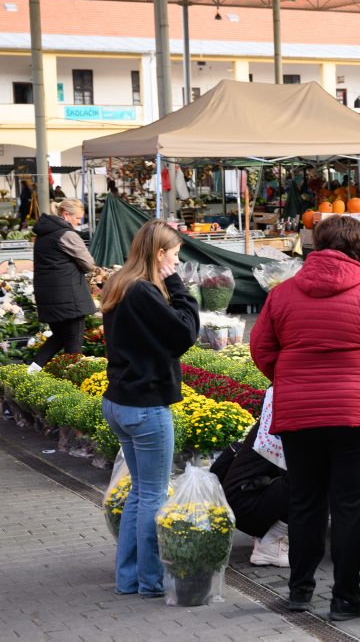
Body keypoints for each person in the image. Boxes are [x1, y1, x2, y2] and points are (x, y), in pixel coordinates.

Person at [250, 216, 360, 621]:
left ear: (317, 244)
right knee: (349, 506)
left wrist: (291, 377)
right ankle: (346, 596)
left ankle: (299, 590)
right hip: (357, 417)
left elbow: (260, 347)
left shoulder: (283, 293)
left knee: (305, 500)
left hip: (300, 414)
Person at [101, 220, 200, 598]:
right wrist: (177, 286)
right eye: (174, 255)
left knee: (141, 493)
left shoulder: (120, 283)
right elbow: (184, 334)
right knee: (153, 494)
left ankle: (129, 579)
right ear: (159, 254)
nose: (177, 261)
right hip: (145, 405)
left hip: (121, 401)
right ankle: (149, 581)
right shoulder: (144, 291)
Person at [29, 199, 97, 371]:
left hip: (50, 297)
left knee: (58, 336)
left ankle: (31, 372)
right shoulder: (66, 234)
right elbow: (88, 263)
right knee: (74, 344)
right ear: (66, 215)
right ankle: (72, 382)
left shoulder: (43, 235)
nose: (79, 222)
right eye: (78, 218)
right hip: (70, 298)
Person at [216, 416, 290, 568]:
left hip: (241, 499)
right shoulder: (289, 419)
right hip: (245, 505)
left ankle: (268, 535)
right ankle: (271, 545)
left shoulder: (278, 412)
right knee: (314, 479)